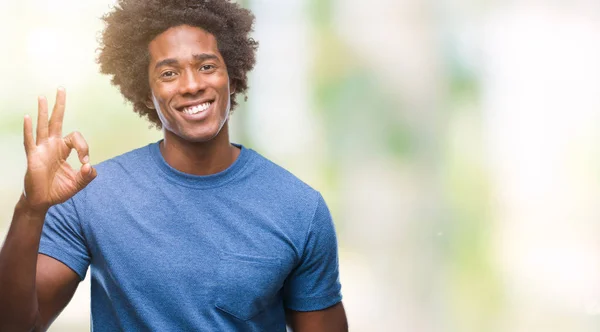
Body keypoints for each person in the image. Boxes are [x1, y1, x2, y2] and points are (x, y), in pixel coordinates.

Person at [0, 0, 347, 331]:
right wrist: (30, 209)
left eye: (207, 66)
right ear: (146, 89)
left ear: (232, 73)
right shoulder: (91, 197)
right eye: (169, 73)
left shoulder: (299, 208)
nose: (192, 85)